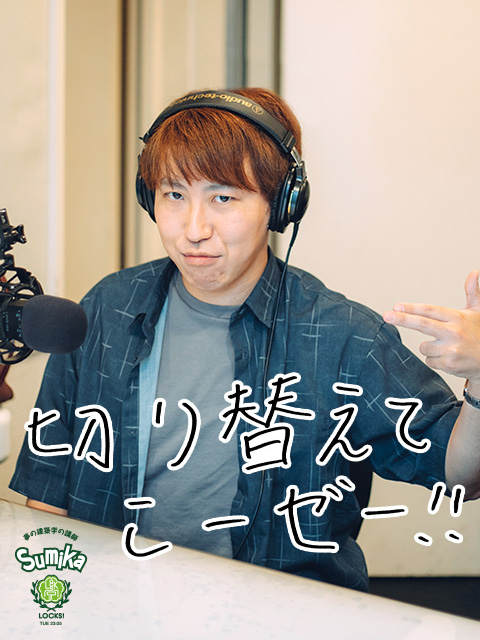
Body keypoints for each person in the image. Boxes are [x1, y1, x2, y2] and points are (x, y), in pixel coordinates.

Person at [10, 88, 480, 592]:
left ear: (279, 204)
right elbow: (49, 486)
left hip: (284, 614)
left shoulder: (342, 335)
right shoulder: (109, 306)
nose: (194, 230)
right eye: (174, 195)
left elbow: (458, 473)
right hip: (115, 602)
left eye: (223, 198)